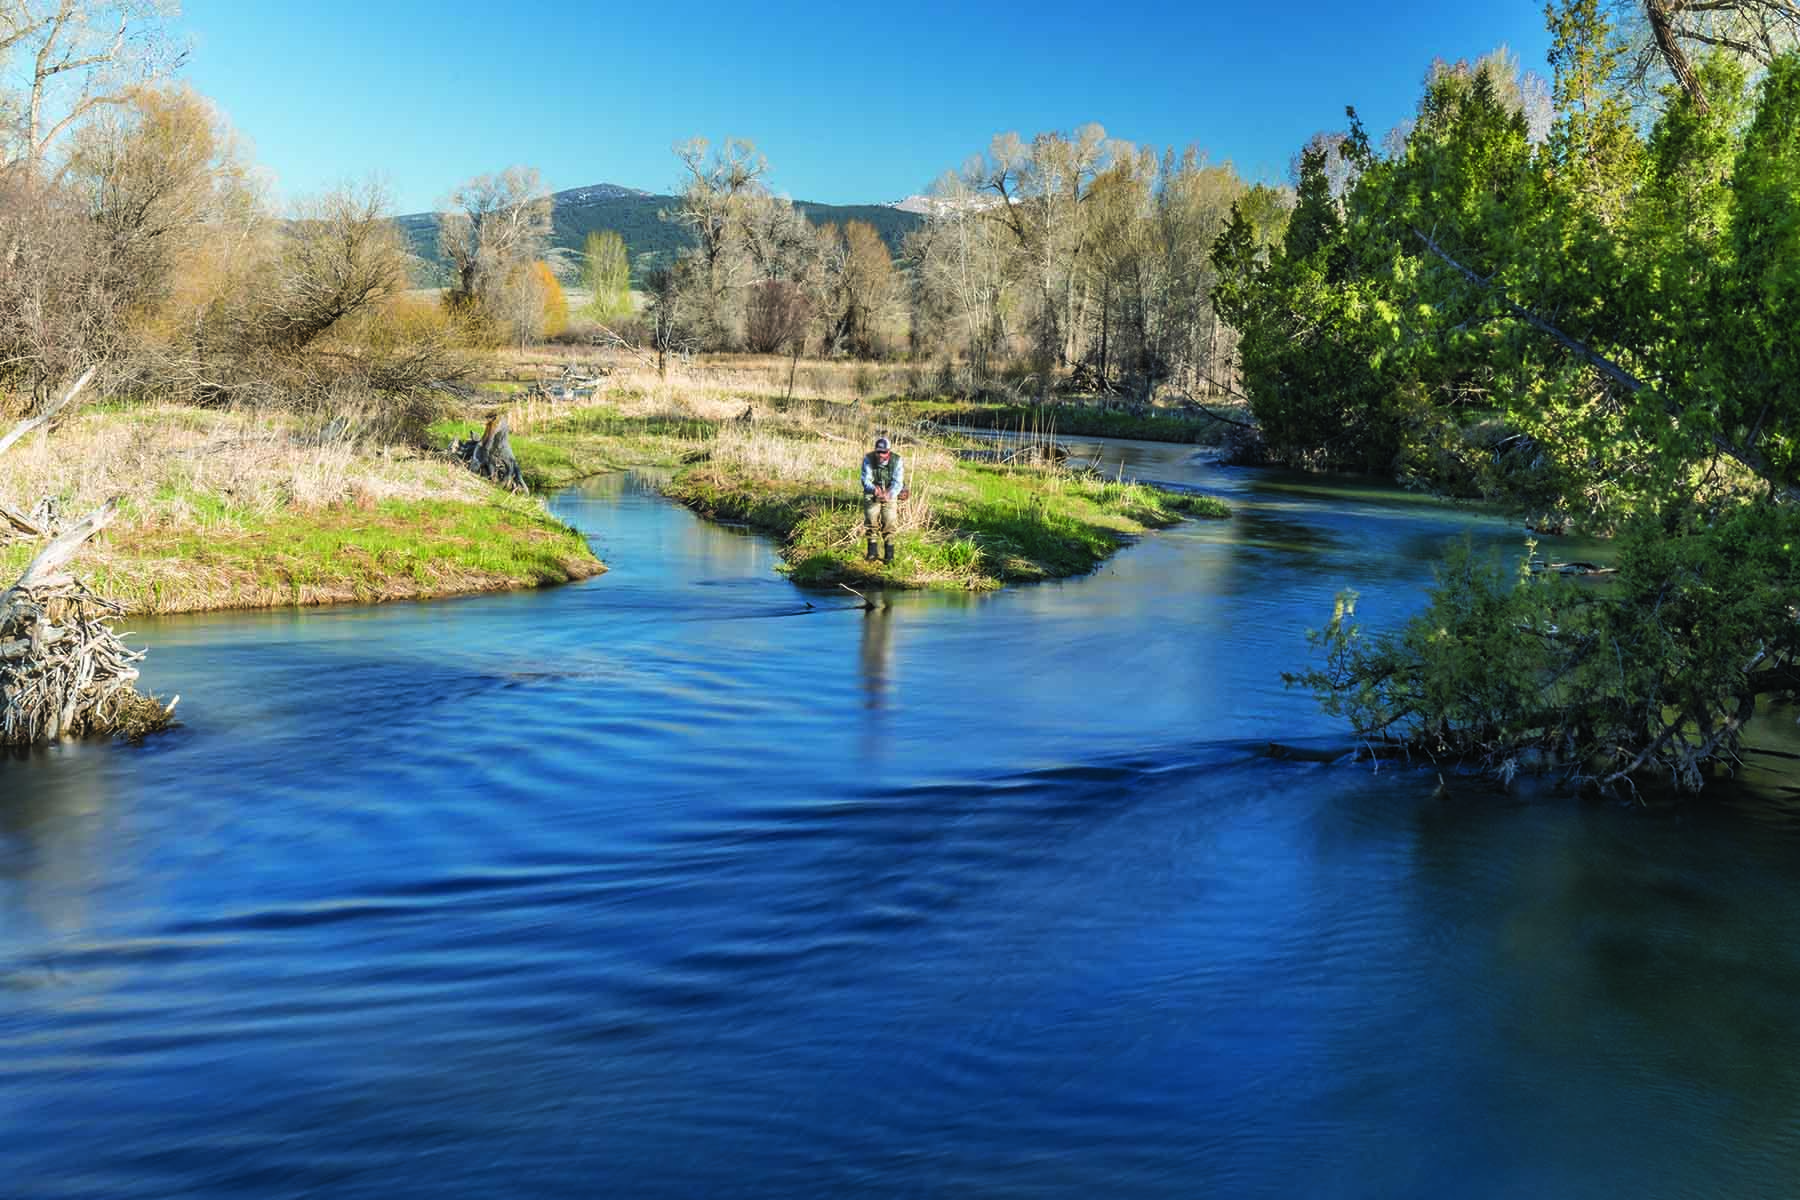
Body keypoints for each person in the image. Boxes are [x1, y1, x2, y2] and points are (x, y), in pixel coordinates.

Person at [860, 435, 906, 563]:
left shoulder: (897, 460)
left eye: (884, 452)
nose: (881, 455)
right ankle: (872, 553)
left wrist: (889, 494)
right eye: (878, 452)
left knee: (889, 521)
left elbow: (898, 482)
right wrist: (874, 490)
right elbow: (865, 479)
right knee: (871, 519)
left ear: (889, 452)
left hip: (890, 492)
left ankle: (889, 555)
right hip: (872, 491)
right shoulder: (868, 459)